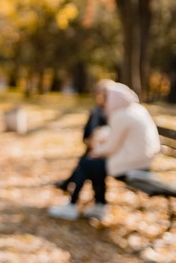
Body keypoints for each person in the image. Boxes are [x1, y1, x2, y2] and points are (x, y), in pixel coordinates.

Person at [48, 82, 160, 221]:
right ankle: (99, 205)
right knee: (93, 163)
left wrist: (96, 150)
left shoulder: (121, 115)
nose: (103, 102)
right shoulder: (136, 110)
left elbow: (111, 147)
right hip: (143, 160)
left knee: (88, 163)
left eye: (105, 98)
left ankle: (73, 205)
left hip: (133, 163)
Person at [54, 79, 112, 193]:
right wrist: (89, 140)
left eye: (102, 94)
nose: (99, 96)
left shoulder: (110, 113)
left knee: (86, 162)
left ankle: (71, 190)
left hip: (104, 149)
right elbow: (88, 130)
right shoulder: (96, 111)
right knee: (86, 160)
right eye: (98, 93)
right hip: (94, 145)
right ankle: (71, 188)